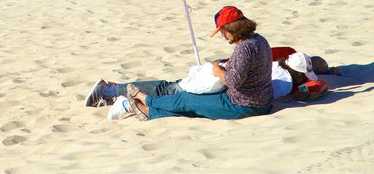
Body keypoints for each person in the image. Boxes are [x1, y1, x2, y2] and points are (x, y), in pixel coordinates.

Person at [85, 50, 339, 118]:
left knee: (170, 86)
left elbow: (319, 62)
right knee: (170, 91)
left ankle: (114, 91)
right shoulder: (284, 84)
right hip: (222, 81)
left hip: (224, 67)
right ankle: (109, 89)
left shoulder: (274, 59)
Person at [123, 6, 273, 121]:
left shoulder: (243, 48)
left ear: (232, 29)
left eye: (223, 32)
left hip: (244, 105)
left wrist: (217, 71)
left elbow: (233, 81)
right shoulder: (259, 39)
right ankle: (149, 112)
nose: (223, 36)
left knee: (187, 99)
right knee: (196, 107)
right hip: (261, 101)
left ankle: (147, 100)